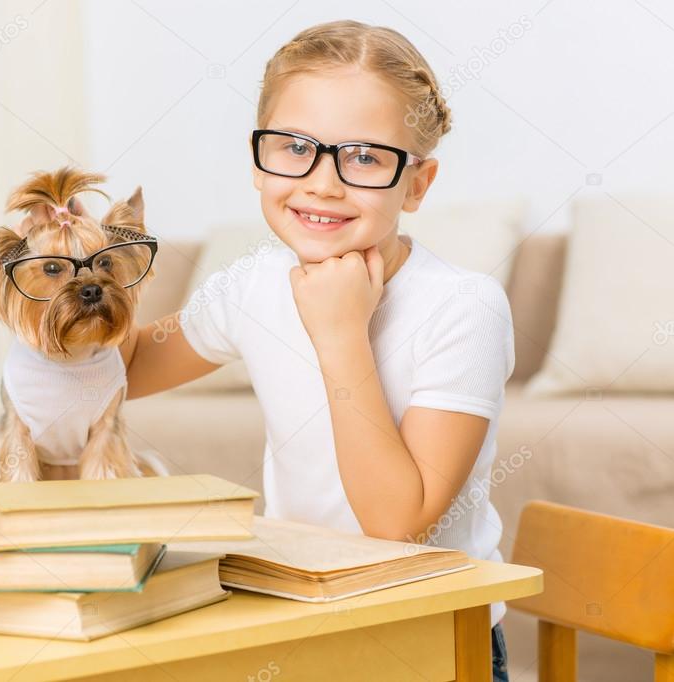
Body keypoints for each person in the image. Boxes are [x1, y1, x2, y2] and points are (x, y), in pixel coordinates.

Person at [120, 20, 514, 681]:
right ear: (257, 160)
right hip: (305, 621)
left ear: (416, 184)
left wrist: (339, 333)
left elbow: (395, 523)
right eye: (293, 147)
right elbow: (122, 371)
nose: (321, 183)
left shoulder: (463, 308)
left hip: (432, 642)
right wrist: (56, 292)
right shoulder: (252, 283)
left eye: (363, 157)